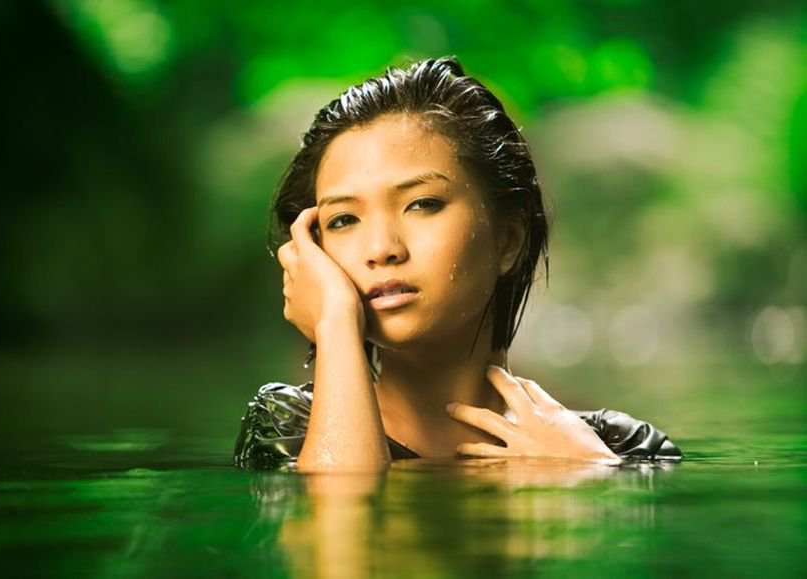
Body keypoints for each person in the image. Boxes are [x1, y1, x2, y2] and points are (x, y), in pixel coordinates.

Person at [233, 56, 681, 471]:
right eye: (344, 219)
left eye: (422, 204)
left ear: (508, 239)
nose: (382, 248)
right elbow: (341, 520)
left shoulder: (621, 446)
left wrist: (587, 468)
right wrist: (335, 323)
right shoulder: (287, 426)